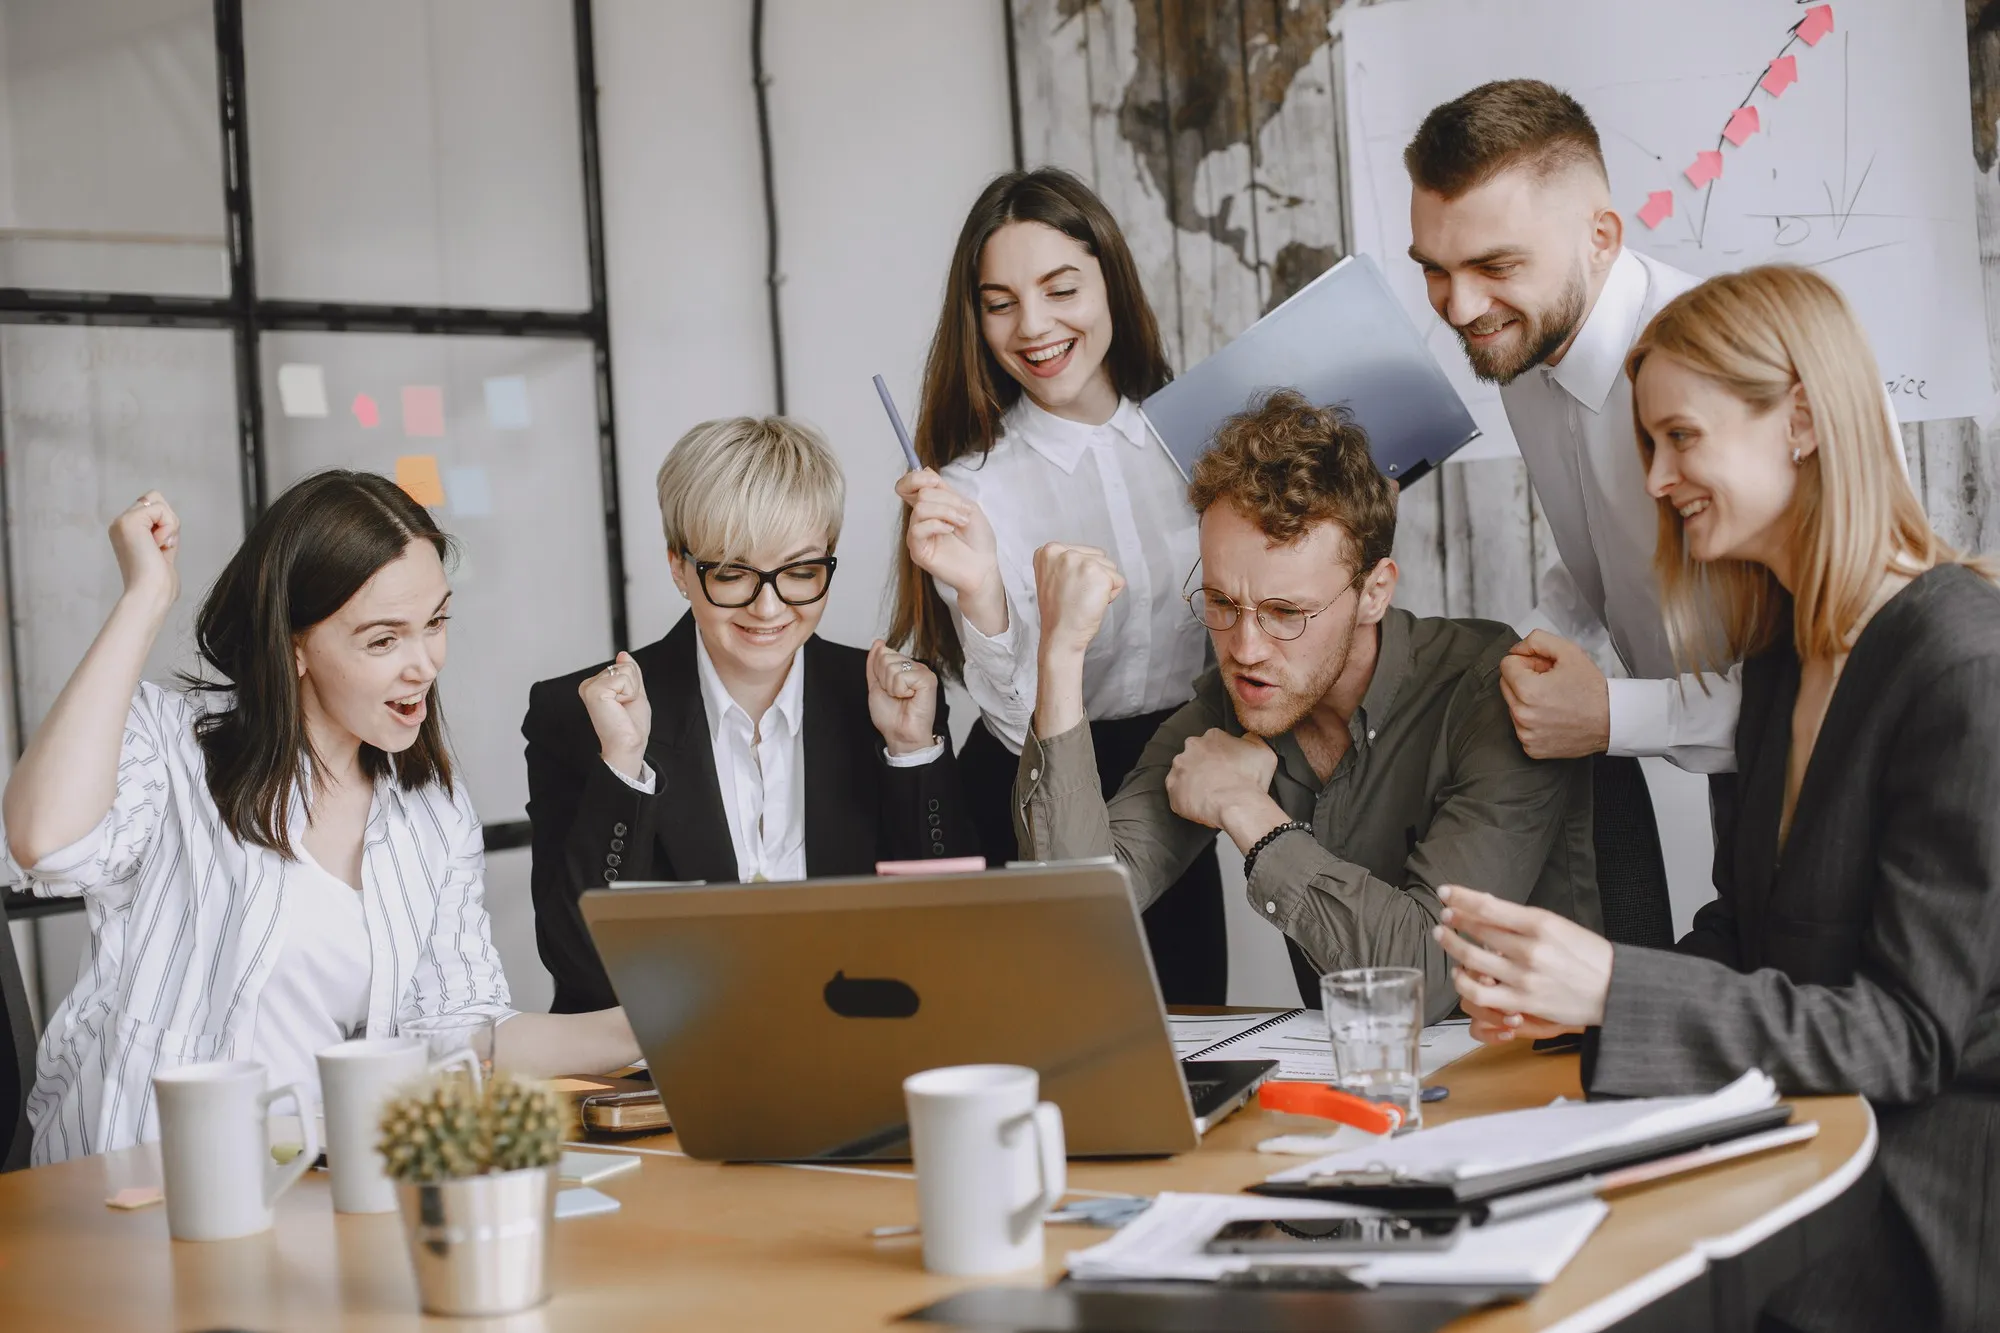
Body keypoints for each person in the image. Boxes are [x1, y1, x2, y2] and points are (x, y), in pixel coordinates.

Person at [1433, 267, 2000, 1333]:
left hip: (1933, 1178)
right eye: (1648, 444)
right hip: (1814, 1128)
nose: (1653, 479)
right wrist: (1561, 1004)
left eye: (1678, 438)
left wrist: (1611, 986)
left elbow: (1905, 1039)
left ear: (1796, 418)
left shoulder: (1958, 664)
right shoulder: (1781, 660)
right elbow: (1745, 936)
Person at [3, 473, 638, 1165]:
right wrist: (145, 598)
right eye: (383, 640)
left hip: (314, 1192)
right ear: (295, 644)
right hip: (137, 1193)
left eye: (435, 622)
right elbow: (45, 842)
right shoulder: (173, 748)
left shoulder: (429, 806)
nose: (422, 663)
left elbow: (459, 1030)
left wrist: (663, 1026)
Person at [1014, 389, 1599, 1017]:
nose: (1244, 648)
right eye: (1220, 603)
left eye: (1285, 613)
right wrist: (1059, 656)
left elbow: (1427, 977)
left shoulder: (1491, 695)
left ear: (1373, 592)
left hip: (1542, 1085)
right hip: (1356, 1088)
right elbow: (1075, 911)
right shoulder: (1230, 704)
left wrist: (1247, 812)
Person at [889, 167, 1226, 1003]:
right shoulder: (970, 488)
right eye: (999, 301)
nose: (1032, 327)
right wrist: (980, 595)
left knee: (1188, 1049)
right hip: (1023, 793)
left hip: (1173, 782)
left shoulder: (1205, 440)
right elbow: (1014, 729)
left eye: (1060, 288)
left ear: (1110, 278)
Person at [1403, 79, 1715, 947]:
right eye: (1434, 268)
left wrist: (1612, 716)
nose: (1460, 309)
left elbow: (1827, 689)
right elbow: (1607, 555)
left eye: (1495, 266)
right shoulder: (1525, 340)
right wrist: (1524, 651)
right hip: (1744, 785)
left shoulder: (1733, 370)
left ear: (1601, 236)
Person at [526, 416, 977, 1013]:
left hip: (859, 1053)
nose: (769, 608)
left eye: (800, 572)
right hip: (664, 1074)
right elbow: (581, 968)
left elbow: (956, 936)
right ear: (679, 568)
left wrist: (911, 755)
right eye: (733, 573)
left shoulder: (891, 701)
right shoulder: (581, 715)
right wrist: (623, 771)